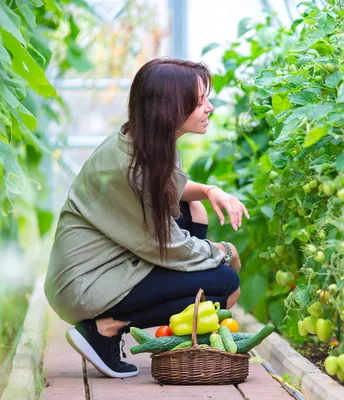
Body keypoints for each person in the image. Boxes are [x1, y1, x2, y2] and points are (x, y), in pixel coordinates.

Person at [44, 58, 249, 378]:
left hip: (110, 265)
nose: (210, 107)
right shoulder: (132, 169)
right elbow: (169, 246)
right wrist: (222, 251)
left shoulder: (143, 142)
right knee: (225, 285)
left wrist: (210, 191)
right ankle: (104, 329)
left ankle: (135, 329)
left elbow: (174, 185)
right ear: (170, 107)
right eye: (200, 101)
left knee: (194, 208)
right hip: (86, 285)